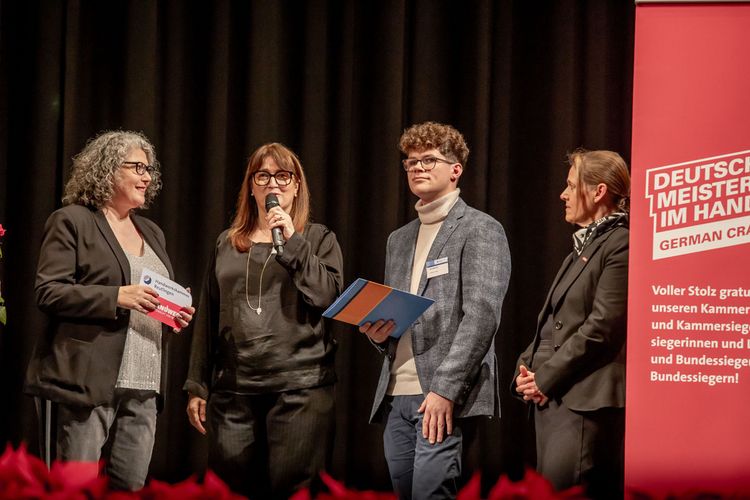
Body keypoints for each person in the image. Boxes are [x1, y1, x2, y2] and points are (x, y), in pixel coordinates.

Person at [24, 130, 195, 490]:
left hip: (144, 385)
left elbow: (146, 299)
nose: (147, 177)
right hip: (88, 382)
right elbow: (49, 292)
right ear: (107, 170)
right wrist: (115, 296)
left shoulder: (151, 231)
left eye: (149, 169)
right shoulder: (73, 221)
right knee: (75, 490)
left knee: (128, 489)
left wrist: (172, 312)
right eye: (137, 167)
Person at [360, 122, 511, 499]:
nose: (417, 168)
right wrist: (381, 334)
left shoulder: (480, 229)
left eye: (428, 160)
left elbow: (482, 317)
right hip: (396, 392)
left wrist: (445, 390)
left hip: (441, 394)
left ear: (455, 169)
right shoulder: (399, 240)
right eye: (411, 162)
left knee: (431, 494)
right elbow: (401, 317)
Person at [184, 142, 343, 499]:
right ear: (251, 186)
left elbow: (328, 298)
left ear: (297, 186)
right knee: (231, 493)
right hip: (234, 392)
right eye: (263, 176)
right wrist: (198, 383)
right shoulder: (227, 243)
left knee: (294, 492)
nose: (273, 183)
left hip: (299, 390)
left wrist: (292, 240)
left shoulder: (317, 238)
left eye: (283, 176)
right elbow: (209, 314)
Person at [513, 149, 630, 499]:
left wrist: (544, 377)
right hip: (554, 398)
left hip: (583, 400)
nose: (563, 195)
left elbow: (602, 327)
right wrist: (526, 368)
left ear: (598, 191)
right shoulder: (581, 248)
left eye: (571, 185)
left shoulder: (620, 244)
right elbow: (552, 322)